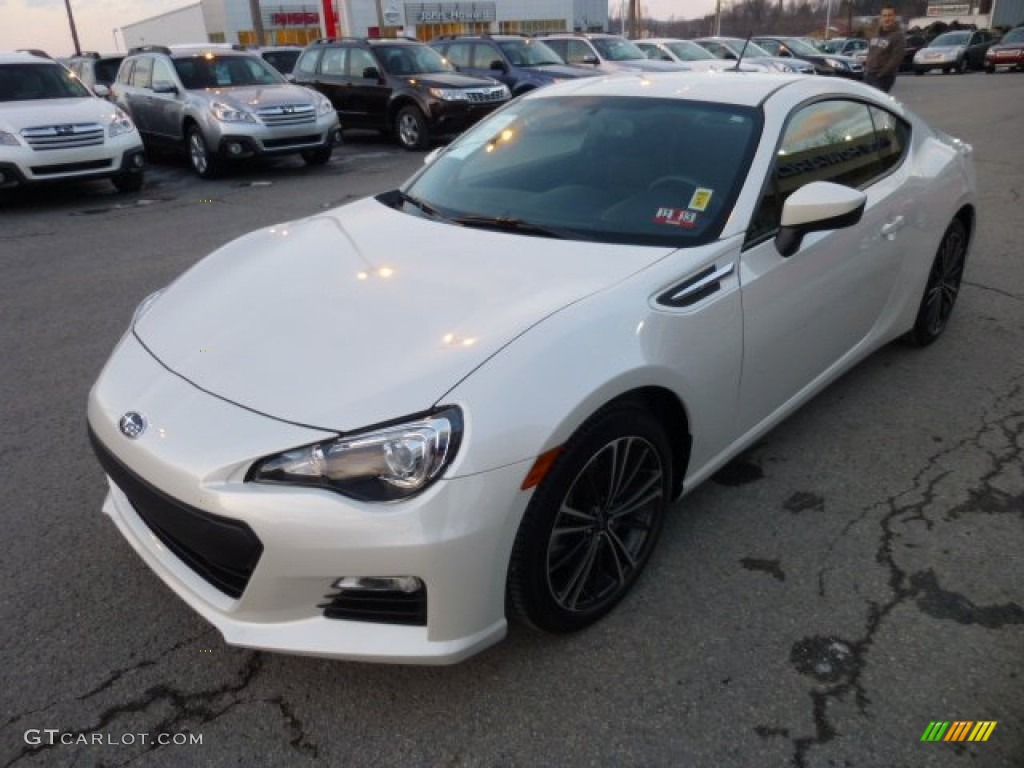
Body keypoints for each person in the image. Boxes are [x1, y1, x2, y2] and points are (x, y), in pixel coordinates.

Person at [864, 5, 906, 93]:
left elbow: (896, 58)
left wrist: (882, 74)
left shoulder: (898, 36)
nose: (887, 18)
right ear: (881, 17)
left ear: (894, 17)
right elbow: (872, 52)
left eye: (890, 15)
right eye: (884, 15)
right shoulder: (876, 33)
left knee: (877, 102)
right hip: (869, 75)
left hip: (883, 77)